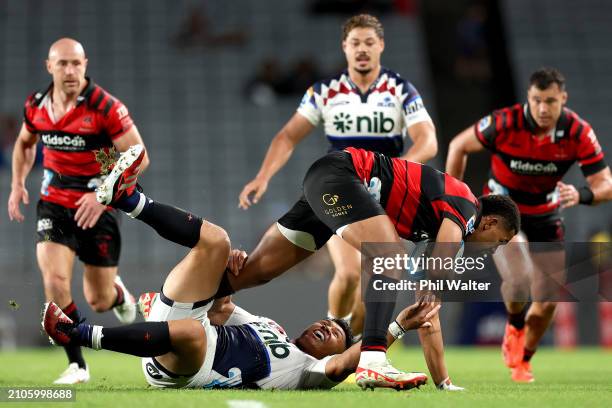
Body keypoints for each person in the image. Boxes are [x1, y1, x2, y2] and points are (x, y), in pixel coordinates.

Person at [42, 144, 438, 391]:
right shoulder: (270, 328)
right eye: (330, 323)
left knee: (193, 335)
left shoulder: (308, 372)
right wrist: (226, 276)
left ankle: (76, 333)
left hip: (180, 367)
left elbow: (344, 364)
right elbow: (222, 308)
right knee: (217, 241)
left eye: (333, 334)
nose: (326, 326)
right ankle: (130, 200)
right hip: (180, 321)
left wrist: (396, 327)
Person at [238, 13, 447, 387]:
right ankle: (335, 332)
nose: (363, 50)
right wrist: (263, 176)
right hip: (343, 191)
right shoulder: (325, 91)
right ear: (344, 48)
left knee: (375, 288)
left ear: (381, 46)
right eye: (355, 43)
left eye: (369, 42)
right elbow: (288, 136)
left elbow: (428, 140)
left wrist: (394, 172)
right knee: (349, 274)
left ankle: (361, 353)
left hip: (387, 197)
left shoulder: (400, 89)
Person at [223, 146, 518, 389]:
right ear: (490, 222)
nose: (494, 249)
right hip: (344, 174)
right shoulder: (467, 206)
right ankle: (373, 361)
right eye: (500, 241)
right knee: (389, 254)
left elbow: (426, 314)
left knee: (254, 271)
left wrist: (444, 383)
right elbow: (446, 251)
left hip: (325, 181)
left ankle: (191, 304)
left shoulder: (437, 226)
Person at [446, 67, 612, 382]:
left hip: (546, 214)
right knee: (519, 276)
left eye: (550, 101)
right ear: (529, 97)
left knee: (549, 298)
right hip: (502, 211)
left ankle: (524, 359)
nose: (543, 109)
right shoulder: (504, 122)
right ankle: (514, 325)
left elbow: (606, 184)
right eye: (537, 100)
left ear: (563, 98)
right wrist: (454, 196)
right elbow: (458, 145)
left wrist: (582, 193)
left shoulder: (578, 132)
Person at [7, 38, 150, 384]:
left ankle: (116, 292)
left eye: (76, 63)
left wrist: (102, 194)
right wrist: (17, 183)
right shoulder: (37, 105)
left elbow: (139, 156)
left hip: (96, 207)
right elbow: (25, 144)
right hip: (54, 204)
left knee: (98, 300)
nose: (70, 71)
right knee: (54, 281)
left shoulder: (105, 107)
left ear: (85, 64)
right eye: (63, 64)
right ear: (49, 66)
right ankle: (77, 364)